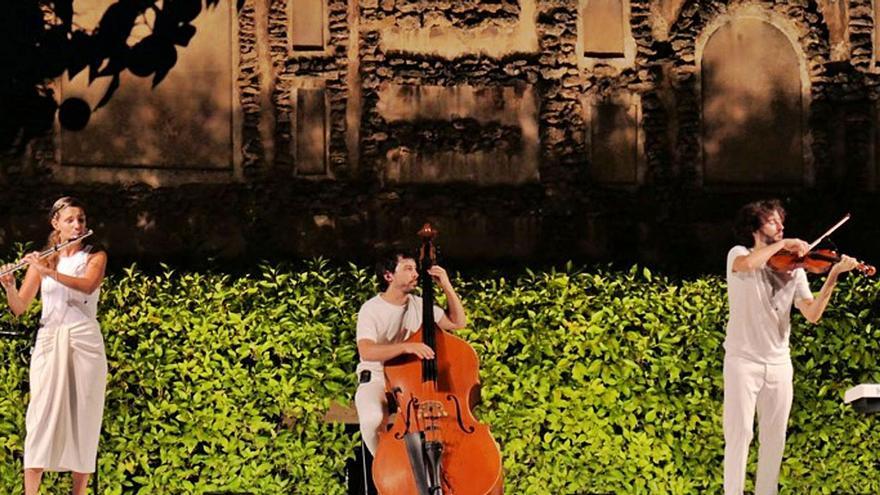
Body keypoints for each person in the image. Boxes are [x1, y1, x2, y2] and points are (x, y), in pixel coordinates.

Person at [723, 199, 859, 494]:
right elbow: (748, 264)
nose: (781, 226)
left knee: (775, 437)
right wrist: (784, 242)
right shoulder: (740, 254)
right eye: (773, 221)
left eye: (782, 222)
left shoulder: (795, 270)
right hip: (742, 361)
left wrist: (833, 275)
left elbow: (811, 314)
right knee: (740, 433)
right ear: (755, 227)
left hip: (779, 364)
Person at [0, 197, 108, 495]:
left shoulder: (95, 255)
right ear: (55, 224)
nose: (77, 225)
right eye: (71, 220)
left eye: (81, 220)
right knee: (41, 415)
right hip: (50, 340)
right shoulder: (44, 258)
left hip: (84, 340)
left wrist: (47, 271)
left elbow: (87, 286)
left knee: (84, 415)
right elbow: (20, 306)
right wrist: (10, 284)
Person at [354, 250, 467, 455]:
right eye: (408, 269)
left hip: (411, 378)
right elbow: (366, 351)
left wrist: (446, 285)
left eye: (415, 268)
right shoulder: (371, 309)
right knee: (372, 419)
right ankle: (384, 466)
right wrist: (406, 347)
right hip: (377, 377)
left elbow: (458, 323)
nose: (416, 274)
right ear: (389, 276)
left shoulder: (419, 304)